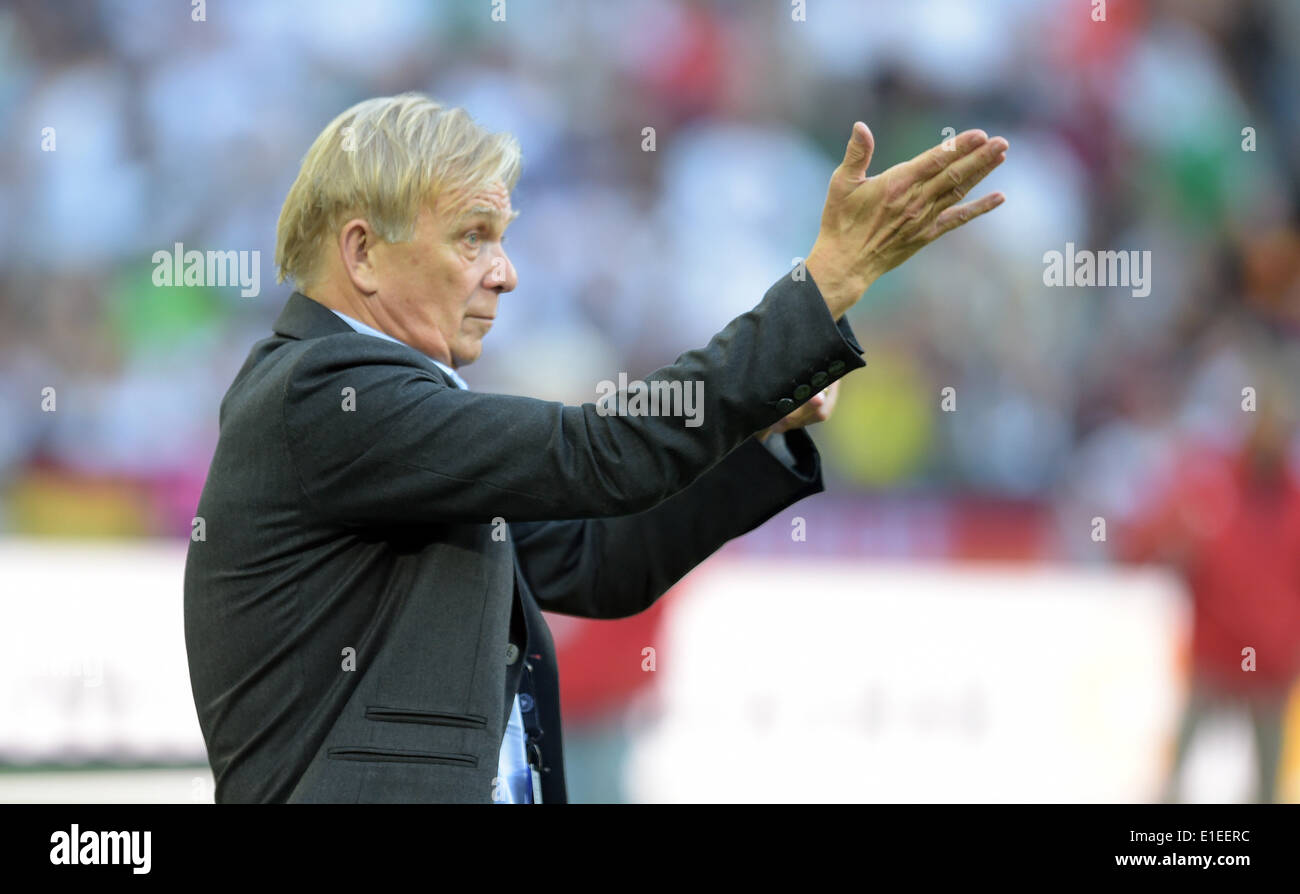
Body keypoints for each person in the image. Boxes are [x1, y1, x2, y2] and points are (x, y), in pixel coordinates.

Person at [183, 93, 1008, 803]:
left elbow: (597, 560)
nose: (505, 274)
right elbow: (601, 450)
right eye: (473, 236)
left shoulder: (365, 407)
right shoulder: (325, 391)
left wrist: (753, 434)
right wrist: (818, 292)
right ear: (362, 252)